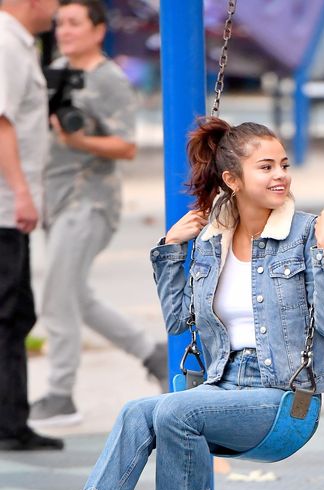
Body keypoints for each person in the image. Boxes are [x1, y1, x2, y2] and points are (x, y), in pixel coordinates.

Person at [29, 117, 324, 490]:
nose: (280, 175)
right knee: (139, 410)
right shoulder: (210, 240)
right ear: (232, 179)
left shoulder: (309, 233)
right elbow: (180, 320)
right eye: (265, 166)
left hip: (283, 398)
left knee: (176, 410)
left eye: (283, 164)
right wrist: (171, 250)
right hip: (222, 386)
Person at [29, 0, 167, 428]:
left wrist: (80, 142)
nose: (64, 30)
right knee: (77, 297)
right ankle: (153, 353)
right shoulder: (53, 67)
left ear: (98, 30)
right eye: (60, 23)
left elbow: (126, 146)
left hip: (89, 201)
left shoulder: (110, 80)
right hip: (56, 200)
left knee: (56, 296)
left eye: (74, 22)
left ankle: (60, 394)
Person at [0, 0, 64, 451]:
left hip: (10, 207)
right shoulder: (5, 43)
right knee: (8, 313)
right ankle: (8, 424)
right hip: (4, 207)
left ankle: (11, 420)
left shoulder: (20, 45)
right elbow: (1, 122)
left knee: (17, 312)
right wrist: (22, 192)